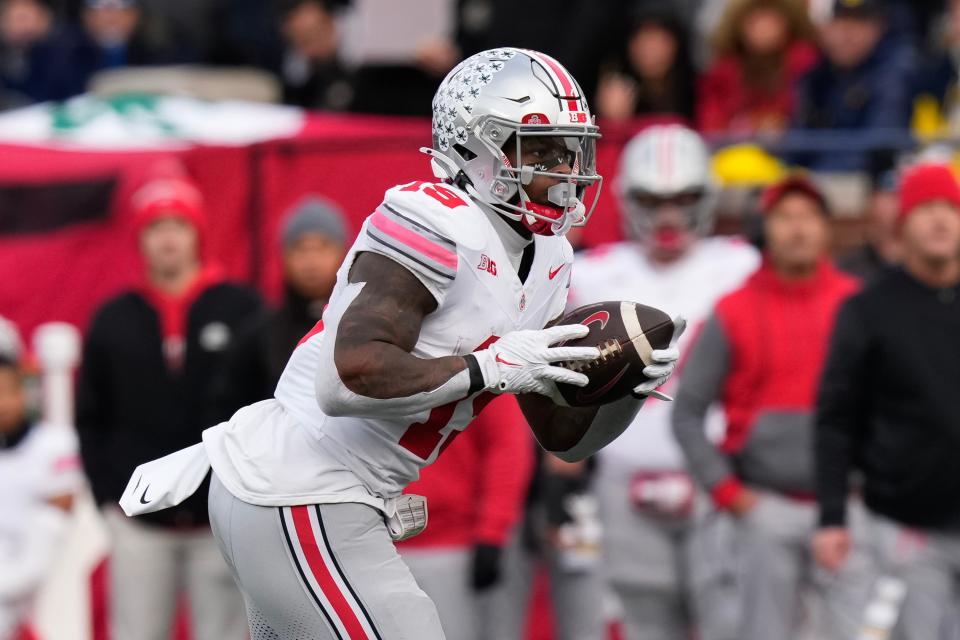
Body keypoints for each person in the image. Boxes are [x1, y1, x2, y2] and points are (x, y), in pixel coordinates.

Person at [120, 47, 682, 639]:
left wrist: (620, 387)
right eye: (539, 150)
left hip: (332, 494)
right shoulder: (433, 219)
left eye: (570, 151)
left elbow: (559, 433)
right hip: (300, 482)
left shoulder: (551, 259)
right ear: (474, 147)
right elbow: (346, 378)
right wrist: (491, 367)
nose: (563, 171)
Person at [570, 125, 759, 640]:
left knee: (730, 619)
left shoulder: (741, 264)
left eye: (683, 199)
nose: (669, 215)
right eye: (653, 199)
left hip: (718, 479)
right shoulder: (589, 273)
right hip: (620, 478)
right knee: (640, 621)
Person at [673, 174, 872, 640]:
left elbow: (896, 403)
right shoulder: (732, 309)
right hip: (763, 507)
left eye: (808, 217)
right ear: (765, 229)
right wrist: (729, 496)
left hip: (848, 509)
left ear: (827, 228)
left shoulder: (859, 307)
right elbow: (687, 413)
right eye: (785, 217)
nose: (798, 229)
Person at [76, 173, 260, 640]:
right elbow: (91, 415)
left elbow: (267, 405)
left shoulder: (241, 310)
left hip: (220, 516)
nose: (168, 237)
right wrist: (107, 497)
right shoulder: (114, 319)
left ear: (198, 231)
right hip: (139, 522)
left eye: (179, 223)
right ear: (140, 238)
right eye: (156, 226)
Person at [814, 162, 960, 640]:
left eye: (949, 208)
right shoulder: (869, 309)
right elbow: (835, 418)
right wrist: (833, 517)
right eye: (926, 208)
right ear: (902, 224)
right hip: (902, 525)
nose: (940, 220)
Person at [396, 395, 534, 640]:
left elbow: (505, 443)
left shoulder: (478, 357)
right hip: (370, 541)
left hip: (450, 547)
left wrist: (492, 533)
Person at [214, 196, 348, 416]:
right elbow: (228, 404)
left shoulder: (359, 326)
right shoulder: (260, 332)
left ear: (342, 252)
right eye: (301, 248)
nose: (311, 260)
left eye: (323, 247)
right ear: (285, 256)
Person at [0, 329, 83, 639]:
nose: (2, 402)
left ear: (24, 390)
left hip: (42, 571)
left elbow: (60, 509)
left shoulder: (53, 443)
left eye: (7, 390)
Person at [790, 0, 913, 170]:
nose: (847, 36)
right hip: (814, 181)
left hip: (863, 183)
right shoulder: (814, 76)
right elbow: (797, 144)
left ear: (877, 30)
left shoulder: (892, 75)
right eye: (840, 25)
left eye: (858, 26)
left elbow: (880, 148)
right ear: (824, 30)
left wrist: (818, 175)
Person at [698, 0, 818, 135]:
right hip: (735, 151)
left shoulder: (805, 62)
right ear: (738, 26)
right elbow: (711, 125)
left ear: (788, 23)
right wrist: (745, 125)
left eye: (771, 20)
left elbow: (810, 116)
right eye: (754, 21)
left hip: (794, 150)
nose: (763, 28)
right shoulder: (723, 71)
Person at [594, 6, 696, 123]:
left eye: (657, 37)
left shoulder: (699, 92)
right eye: (640, 36)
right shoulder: (618, 95)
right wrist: (611, 121)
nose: (648, 48)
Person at [277, 0, 353, 110]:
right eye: (304, 41)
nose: (314, 47)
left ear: (332, 22)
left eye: (319, 33)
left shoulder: (369, 64)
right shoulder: (296, 83)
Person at [837, 164, 901, 282]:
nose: (899, 204)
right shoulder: (848, 270)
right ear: (871, 201)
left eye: (902, 195)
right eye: (890, 196)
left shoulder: (927, 268)